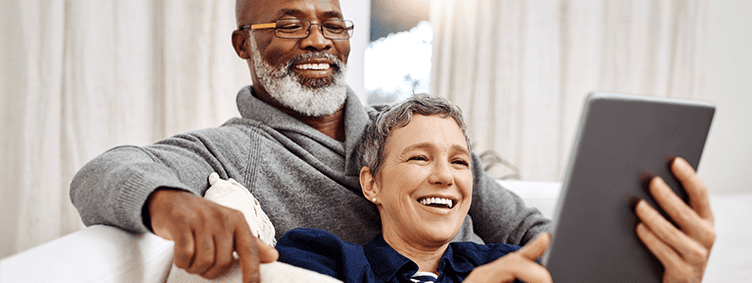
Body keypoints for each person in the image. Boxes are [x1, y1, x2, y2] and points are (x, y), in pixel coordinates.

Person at [68, 0, 715, 282]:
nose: (318, 40)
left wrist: (634, 261)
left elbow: (530, 231)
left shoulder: (406, 130)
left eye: (332, 23)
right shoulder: (226, 150)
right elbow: (102, 172)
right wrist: (171, 202)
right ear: (245, 44)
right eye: (289, 23)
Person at [274, 94, 552, 283]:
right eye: (419, 157)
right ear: (372, 184)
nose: (445, 176)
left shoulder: (505, 265)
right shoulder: (323, 260)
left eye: (459, 161)